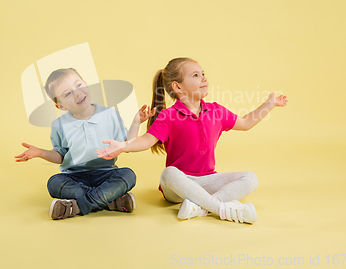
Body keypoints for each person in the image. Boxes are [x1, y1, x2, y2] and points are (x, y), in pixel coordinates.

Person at [97, 58, 288, 224]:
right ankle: (222, 209)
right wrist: (122, 146)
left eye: (203, 73)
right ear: (177, 87)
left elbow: (246, 123)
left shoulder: (216, 111)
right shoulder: (168, 116)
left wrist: (269, 103)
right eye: (196, 75)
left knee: (250, 178)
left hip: (206, 180)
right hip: (179, 185)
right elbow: (144, 141)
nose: (204, 78)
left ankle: (201, 208)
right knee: (168, 173)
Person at [15, 68, 155, 220]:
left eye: (79, 85)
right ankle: (109, 199)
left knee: (128, 175)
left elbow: (126, 145)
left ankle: (77, 206)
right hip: (74, 177)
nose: (77, 93)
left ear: (87, 84)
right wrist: (41, 152)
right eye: (67, 93)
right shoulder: (59, 125)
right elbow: (61, 155)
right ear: (60, 106)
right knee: (54, 183)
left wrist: (136, 122)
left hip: (106, 173)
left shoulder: (110, 114)